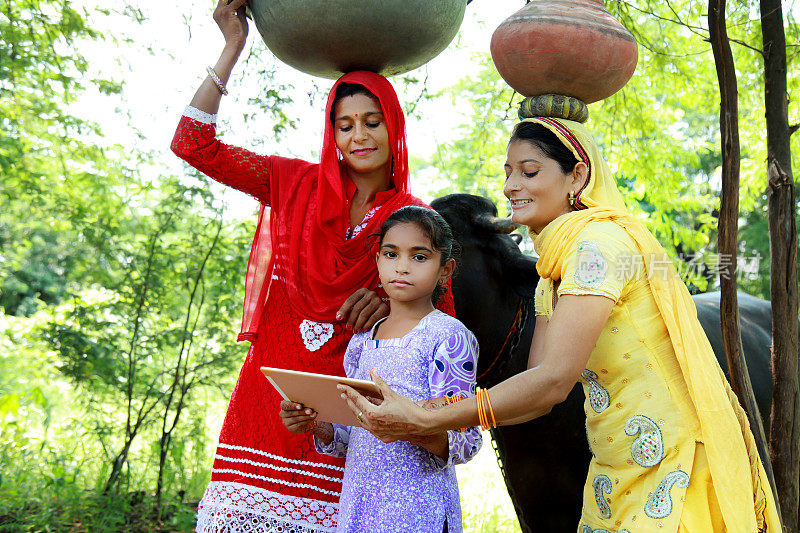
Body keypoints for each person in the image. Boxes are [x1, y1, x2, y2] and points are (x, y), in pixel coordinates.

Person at [340, 118, 783, 532]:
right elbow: (537, 390)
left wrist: (421, 417)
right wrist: (429, 415)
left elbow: (554, 382)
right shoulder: (552, 268)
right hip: (616, 464)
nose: (512, 186)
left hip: (671, 461)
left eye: (530, 172)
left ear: (577, 176)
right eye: (509, 171)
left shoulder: (596, 245)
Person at [170, 1, 454, 531]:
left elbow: (441, 322)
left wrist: (396, 305)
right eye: (344, 125)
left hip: (342, 421)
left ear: (394, 127)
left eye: (372, 121)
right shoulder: (292, 182)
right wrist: (232, 47)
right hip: (268, 393)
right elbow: (191, 143)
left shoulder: (416, 224)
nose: (358, 136)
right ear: (332, 135)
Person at [279, 206, 481, 533]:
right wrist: (316, 424)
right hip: (360, 508)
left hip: (418, 510)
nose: (402, 267)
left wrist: (410, 426)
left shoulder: (449, 338)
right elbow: (351, 436)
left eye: (419, 257)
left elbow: (466, 438)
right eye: (391, 254)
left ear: (445, 270)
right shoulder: (361, 344)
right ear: (377, 262)